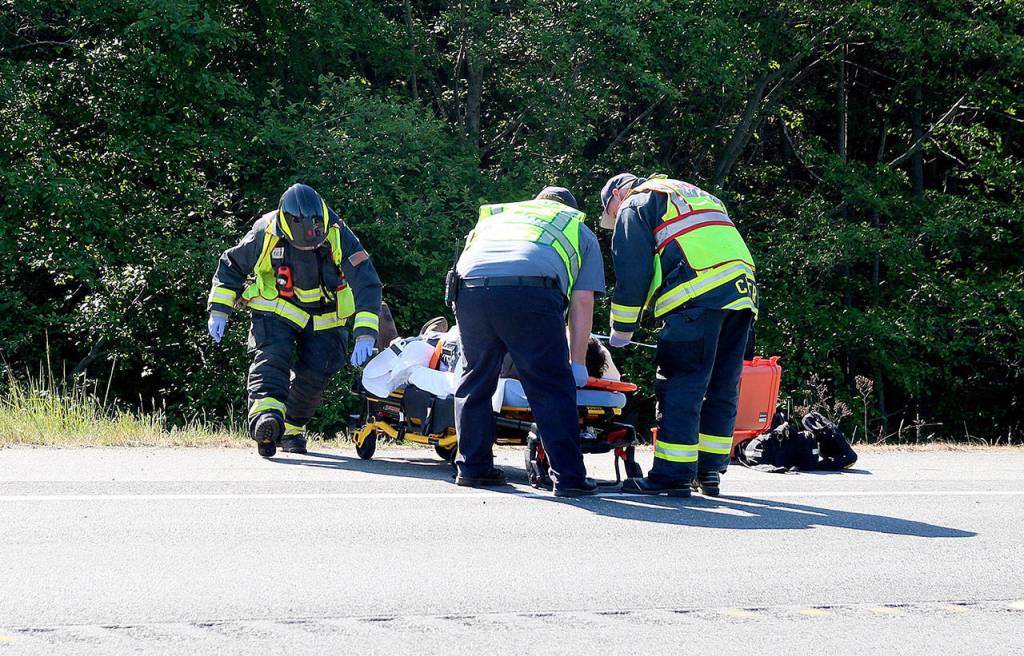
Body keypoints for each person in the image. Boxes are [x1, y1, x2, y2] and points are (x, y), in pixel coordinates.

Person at [600, 173, 757, 497]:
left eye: (611, 215)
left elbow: (633, 271)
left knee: (681, 384)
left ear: (616, 196)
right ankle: (708, 471)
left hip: (697, 294)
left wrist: (622, 328)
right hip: (742, 296)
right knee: (721, 386)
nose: (615, 221)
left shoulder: (635, 203)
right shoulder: (691, 194)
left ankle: (673, 474)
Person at [207, 183, 382, 457]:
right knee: (271, 359)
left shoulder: (339, 233)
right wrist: (219, 310)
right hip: (277, 308)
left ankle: (291, 429)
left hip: (325, 316)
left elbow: (366, 282)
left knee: (316, 374)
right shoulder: (265, 231)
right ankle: (266, 420)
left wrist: (366, 334)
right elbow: (232, 265)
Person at [452, 186, 605, 497]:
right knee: (550, 384)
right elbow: (582, 302)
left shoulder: (501, 216)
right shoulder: (575, 225)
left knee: (475, 379)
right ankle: (569, 478)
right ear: (569, 207)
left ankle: (472, 468)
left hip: (468, 288)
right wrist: (577, 362)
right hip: (530, 290)